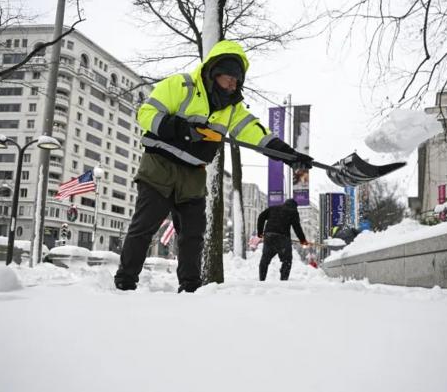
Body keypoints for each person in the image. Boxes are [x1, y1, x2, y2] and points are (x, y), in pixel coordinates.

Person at [114, 40, 313, 292]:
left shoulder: (232, 108)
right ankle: (125, 281)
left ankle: (190, 287)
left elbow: (256, 133)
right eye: (229, 77)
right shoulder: (180, 86)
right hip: (160, 166)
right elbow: (146, 114)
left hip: (194, 173)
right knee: (145, 226)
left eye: (237, 80)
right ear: (214, 72)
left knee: (193, 234)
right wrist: (181, 129)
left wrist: (289, 155)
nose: (233, 84)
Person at [257, 198, 309, 281]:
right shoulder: (293, 212)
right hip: (283, 238)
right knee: (287, 260)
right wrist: (303, 240)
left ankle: (261, 280)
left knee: (265, 259)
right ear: (295, 207)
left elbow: (261, 217)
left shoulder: (273, 208)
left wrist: (260, 232)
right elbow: (297, 227)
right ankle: (283, 281)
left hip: (269, 237)